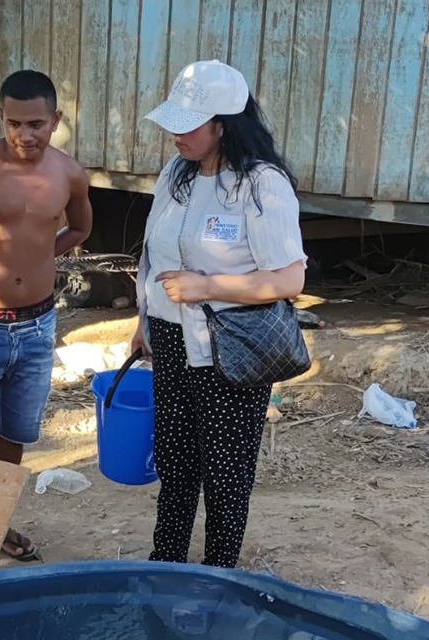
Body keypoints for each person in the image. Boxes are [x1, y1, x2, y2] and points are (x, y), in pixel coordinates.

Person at [130, 60, 306, 568]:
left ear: (223, 126)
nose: (174, 133)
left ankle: (219, 573)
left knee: (226, 472)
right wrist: (142, 322)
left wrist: (208, 286)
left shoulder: (261, 185)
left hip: (230, 348)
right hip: (167, 338)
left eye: (188, 124)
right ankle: (166, 562)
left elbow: (289, 279)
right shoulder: (176, 174)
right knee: (176, 462)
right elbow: (152, 256)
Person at [0, 70, 93, 560]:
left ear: (56, 120)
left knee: (12, 436)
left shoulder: (69, 173)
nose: (24, 135)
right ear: (0, 120)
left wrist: (41, 257)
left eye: (36, 124)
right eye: (12, 124)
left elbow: (79, 229)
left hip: (37, 327)